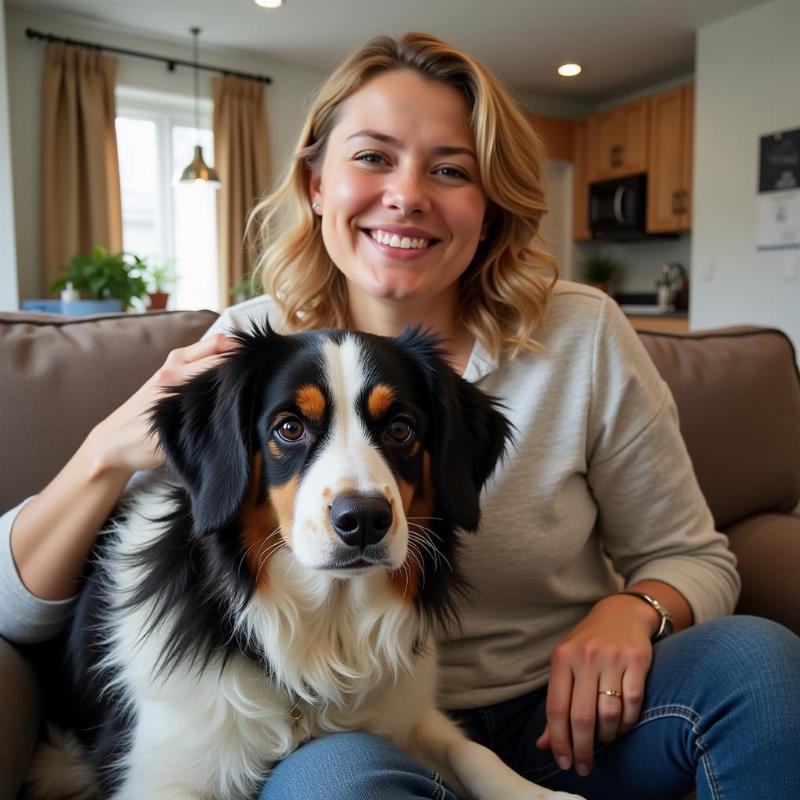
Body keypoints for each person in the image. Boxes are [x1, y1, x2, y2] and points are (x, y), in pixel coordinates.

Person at [2, 31, 799, 800]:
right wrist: (107, 452)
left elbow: (698, 556)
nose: (408, 195)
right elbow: (19, 606)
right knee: (340, 783)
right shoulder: (249, 350)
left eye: (450, 169)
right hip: (356, 731)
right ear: (317, 185)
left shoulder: (583, 333)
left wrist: (635, 609)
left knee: (759, 665)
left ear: (487, 205)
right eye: (372, 156)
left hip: (576, 715)